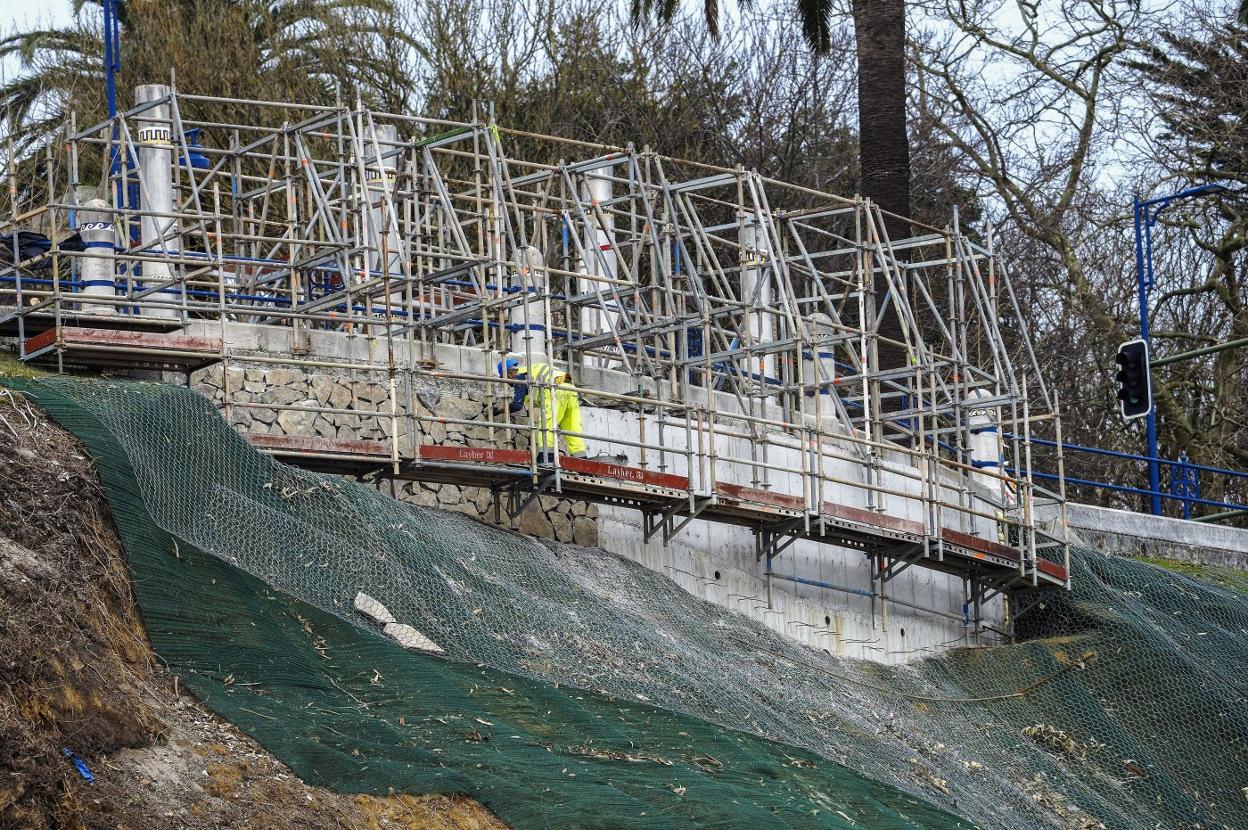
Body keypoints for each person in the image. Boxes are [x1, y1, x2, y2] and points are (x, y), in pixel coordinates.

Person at [495, 354, 587, 463]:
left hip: (555, 390)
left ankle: (547, 457)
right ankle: (581, 459)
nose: (508, 384)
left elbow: (517, 404)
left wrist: (499, 410)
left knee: (546, 425)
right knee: (572, 426)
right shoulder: (530, 372)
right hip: (570, 388)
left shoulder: (519, 375)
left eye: (505, 379)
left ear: (509, 374)